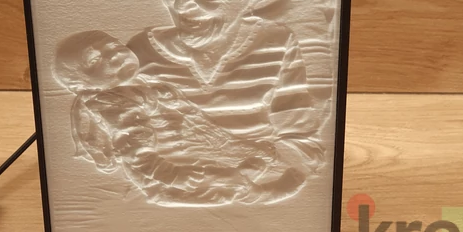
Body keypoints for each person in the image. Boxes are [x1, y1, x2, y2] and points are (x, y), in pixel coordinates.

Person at [127, 0, 325, 174]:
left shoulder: (276, 44)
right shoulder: (138, 53)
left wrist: (231, 151)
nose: (181, 4)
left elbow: (304, 151)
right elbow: (123, 144)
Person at [53, 30, 300, 206]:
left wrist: (221, 140)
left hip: (192, 144)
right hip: (166, 170)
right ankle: (257, 193)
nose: (114, 55)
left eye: (114, 45)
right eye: (95, 60)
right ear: (80, 85)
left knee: (258, 153)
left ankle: (246, 171)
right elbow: (136, 151)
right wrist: (173, 174)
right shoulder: (113, 104)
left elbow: (188, 115)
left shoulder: (141, 84)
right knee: (217, 184)